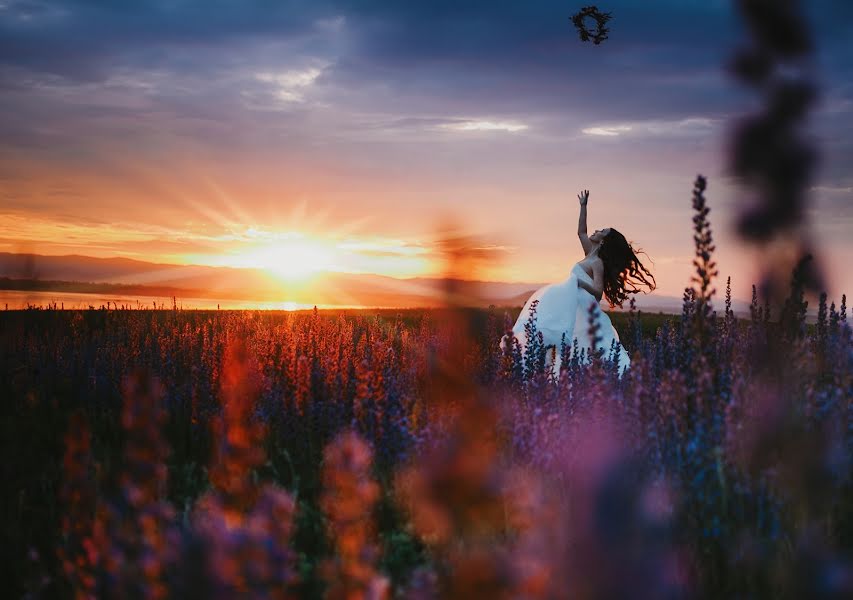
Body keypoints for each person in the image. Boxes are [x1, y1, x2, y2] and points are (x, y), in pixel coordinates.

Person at [501, 189, 656, 376]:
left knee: (582, 345)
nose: (596, 230)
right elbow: (581, 231)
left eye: (601, 231)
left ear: (604, 241)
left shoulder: (597, 263)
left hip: (583, 304)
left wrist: (579, 283)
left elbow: (598, 293)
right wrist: (583, 206)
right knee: (564, 339)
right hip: (572, 301)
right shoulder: (590, 252)